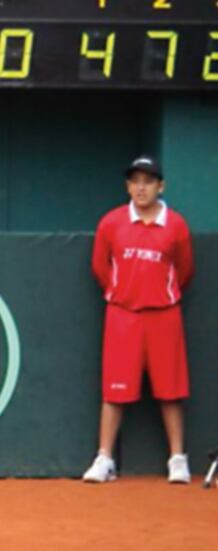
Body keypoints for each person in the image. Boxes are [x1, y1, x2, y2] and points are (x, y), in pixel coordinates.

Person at [83, 155, 194, 484]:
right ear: (128, 186)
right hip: (123, 315)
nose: (141, 187)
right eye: (135, 181)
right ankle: (104, 458)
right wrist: (121, 293)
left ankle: (177, 459)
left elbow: (185, 270)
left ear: (161, 186)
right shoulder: (111, 223)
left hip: (164, 316)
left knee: (170, 390)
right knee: (114, 390)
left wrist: (162, 295)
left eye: (148, 181)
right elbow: (100, 268)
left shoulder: (176, 225)